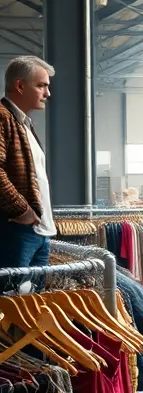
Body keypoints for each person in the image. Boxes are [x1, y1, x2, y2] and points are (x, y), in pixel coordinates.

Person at [0, 55, 56, 268]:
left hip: (38, 232)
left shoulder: (23, 123)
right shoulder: (2, 117)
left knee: (34, 300)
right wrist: (22, 211)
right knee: (11, 299)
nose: (47, 94)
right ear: (20, 85)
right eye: (41, 86)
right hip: (16, 230)